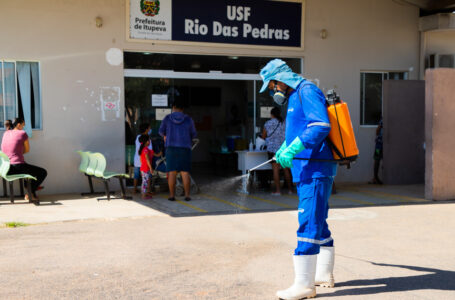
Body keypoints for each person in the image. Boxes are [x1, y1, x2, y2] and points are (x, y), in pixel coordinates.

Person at [259, 59, 337, 299]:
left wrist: (294, 148)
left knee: (308, 222)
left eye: (272, 85)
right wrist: (286, 147)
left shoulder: (306, 90)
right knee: (319, 222)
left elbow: (320, 125)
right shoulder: (294, 97)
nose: (272, 90)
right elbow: (299, 130)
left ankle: (304, 284)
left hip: (315, 168)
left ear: (280, 79)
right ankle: (323, 274)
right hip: (307, 168)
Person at [159, 99, 197, 202]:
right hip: (185, 148)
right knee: (185, 173)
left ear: (173, 108)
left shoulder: (167, 118)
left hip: (171, 148)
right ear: (182, 109)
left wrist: (166, 136)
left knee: (172, 173)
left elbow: (161, 131)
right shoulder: (188, 119)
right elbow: (194, 134)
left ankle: (172, 196)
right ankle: (187, 195)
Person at [1, 117, 47, 202]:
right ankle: (31, 192)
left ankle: (30, 188)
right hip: (17, 167)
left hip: (5, 168)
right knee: (42, 172)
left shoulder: (6, 133)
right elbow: (27, 150)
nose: (23, 128)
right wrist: (18, 153)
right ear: (18, 125)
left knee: (27, 167)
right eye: (23, 125)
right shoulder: (22, 133)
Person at [262, 107, 293, 195]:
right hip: (284, 148)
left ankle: (278, 191)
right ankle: (290, 190)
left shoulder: (268, 123)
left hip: (273, 150)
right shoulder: (283, 123)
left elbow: (264, 136)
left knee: (275, 170)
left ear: (271, 114)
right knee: (286, 169)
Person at [133, 123, 153, 193]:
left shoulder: (138, 137)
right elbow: (150, 150)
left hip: (137, 159)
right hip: (145, 161)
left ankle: (134, 189)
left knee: (136, 175)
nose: (150, 129)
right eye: (149, 128)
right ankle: (148, 191)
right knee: (148, 176)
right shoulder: (148, 139)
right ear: (146, 129)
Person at [138, 134, 154, 199]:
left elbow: (141, 160)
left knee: (144, 182)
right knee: (145, 182)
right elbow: (147, 159)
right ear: (147, 141)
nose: (150, 141)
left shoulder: (143, 149)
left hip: (143, 168)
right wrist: (151, 168)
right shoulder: (145, 150)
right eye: (149, 140)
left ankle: (144, 194)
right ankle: (143, 196)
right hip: (145, 168)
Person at [369, 118, 383, 184]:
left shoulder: (383, 120)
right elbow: (377, 130)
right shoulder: (383, 120)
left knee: (377, 159)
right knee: (377, 159)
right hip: (379, 144)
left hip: (380, 144)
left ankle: (375, 178)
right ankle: (375, 178)